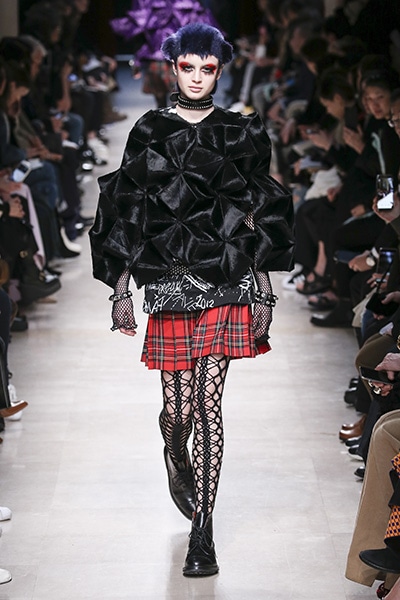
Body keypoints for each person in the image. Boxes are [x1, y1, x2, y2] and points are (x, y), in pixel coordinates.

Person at [89, 23, 294, 577]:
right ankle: (174, 451)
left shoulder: (241, 131)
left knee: (208, 406)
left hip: (227, 278)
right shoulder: (150, 130)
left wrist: (264, 287)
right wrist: (121, 287)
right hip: (170, 279)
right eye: (188, 67)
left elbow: (259, 209)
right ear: (172, 68)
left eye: (208, 68)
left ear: (220, 70)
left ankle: (203, 534)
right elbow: (127, 207)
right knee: (178, 413)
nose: (198, 77)